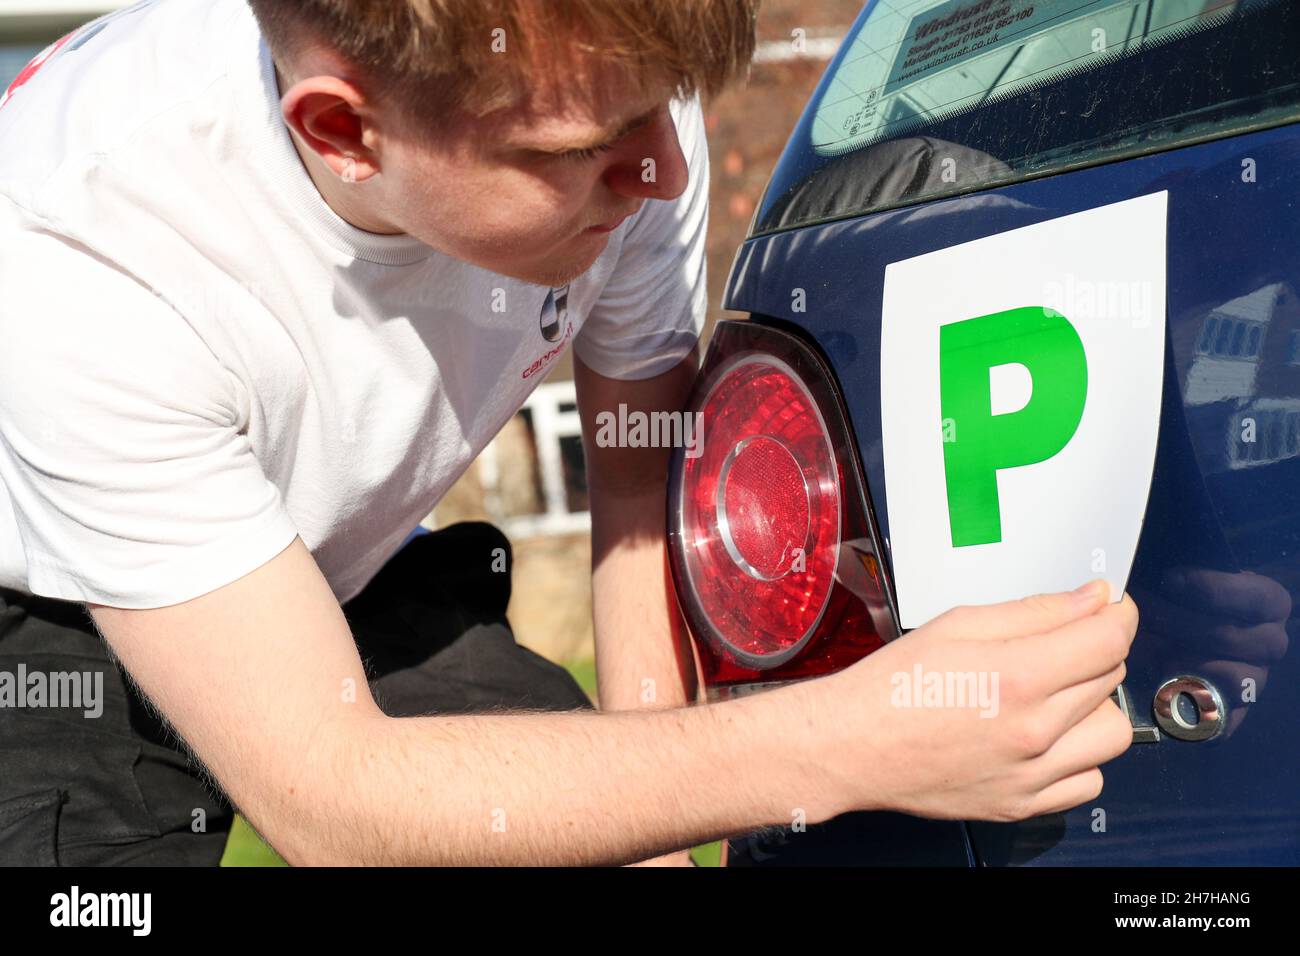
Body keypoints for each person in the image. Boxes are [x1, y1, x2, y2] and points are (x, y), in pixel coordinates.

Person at [0, 0, 1137, 866]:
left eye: (662, 111)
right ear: (347, 131)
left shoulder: (610, 95)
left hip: (336, 557)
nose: (667, 174)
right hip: (45, 622)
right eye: (576, 151)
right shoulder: (81, 258)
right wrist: (854, 739)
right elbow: (333, 793)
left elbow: (637, 507)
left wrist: (658, 844)